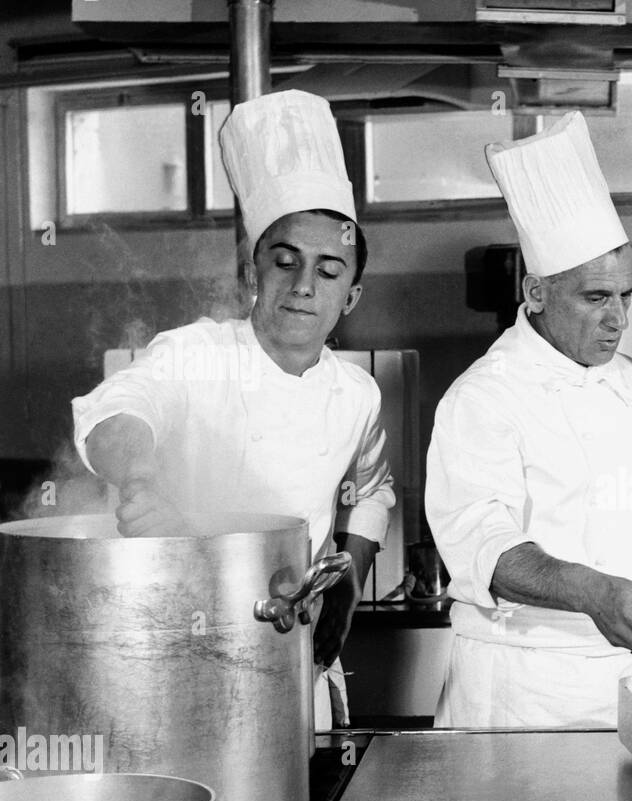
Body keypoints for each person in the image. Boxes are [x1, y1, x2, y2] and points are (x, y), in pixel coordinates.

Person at [72, 89, 394, 731]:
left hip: (291, 649)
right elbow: (113, 413)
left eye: (329, 271)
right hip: (178, 652)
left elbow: (373, 491)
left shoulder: (358, 394)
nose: (304, 286)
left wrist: (351, 576)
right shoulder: (197, 353)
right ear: (254, 275)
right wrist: (140, 482)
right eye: (286, 263)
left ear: (350, 296)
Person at [426, 111, 632, 729]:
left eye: (626, 295)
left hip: (623, 676)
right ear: (536, 293)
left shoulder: (631, 380)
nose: (618, 320)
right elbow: (485, 547)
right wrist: (593, 592)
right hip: (523, 686)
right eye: (596, 298)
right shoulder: (483, 397)